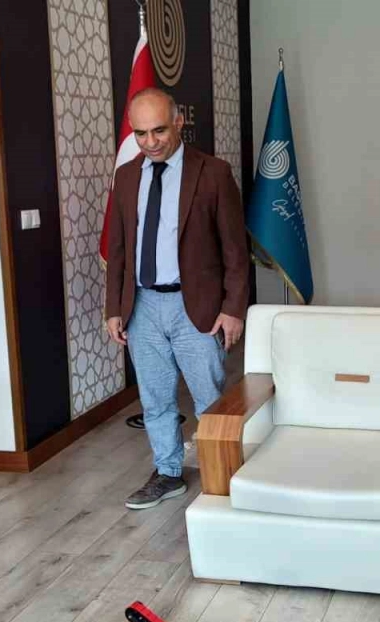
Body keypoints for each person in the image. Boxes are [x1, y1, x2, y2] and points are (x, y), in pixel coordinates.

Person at [105, 88, 250, 511]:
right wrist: (114, 308)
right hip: (142, 307)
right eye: (141, 133)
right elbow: (118, 249)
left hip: (197, 306)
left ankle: (225, 475)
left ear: (179, 122)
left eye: (159, 131)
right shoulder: (126, 176)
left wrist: (233, 309)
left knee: (211, 401)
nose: (150, 142)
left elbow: (235, 250)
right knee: (155, 399)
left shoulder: (213, 173)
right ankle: (168, 473)